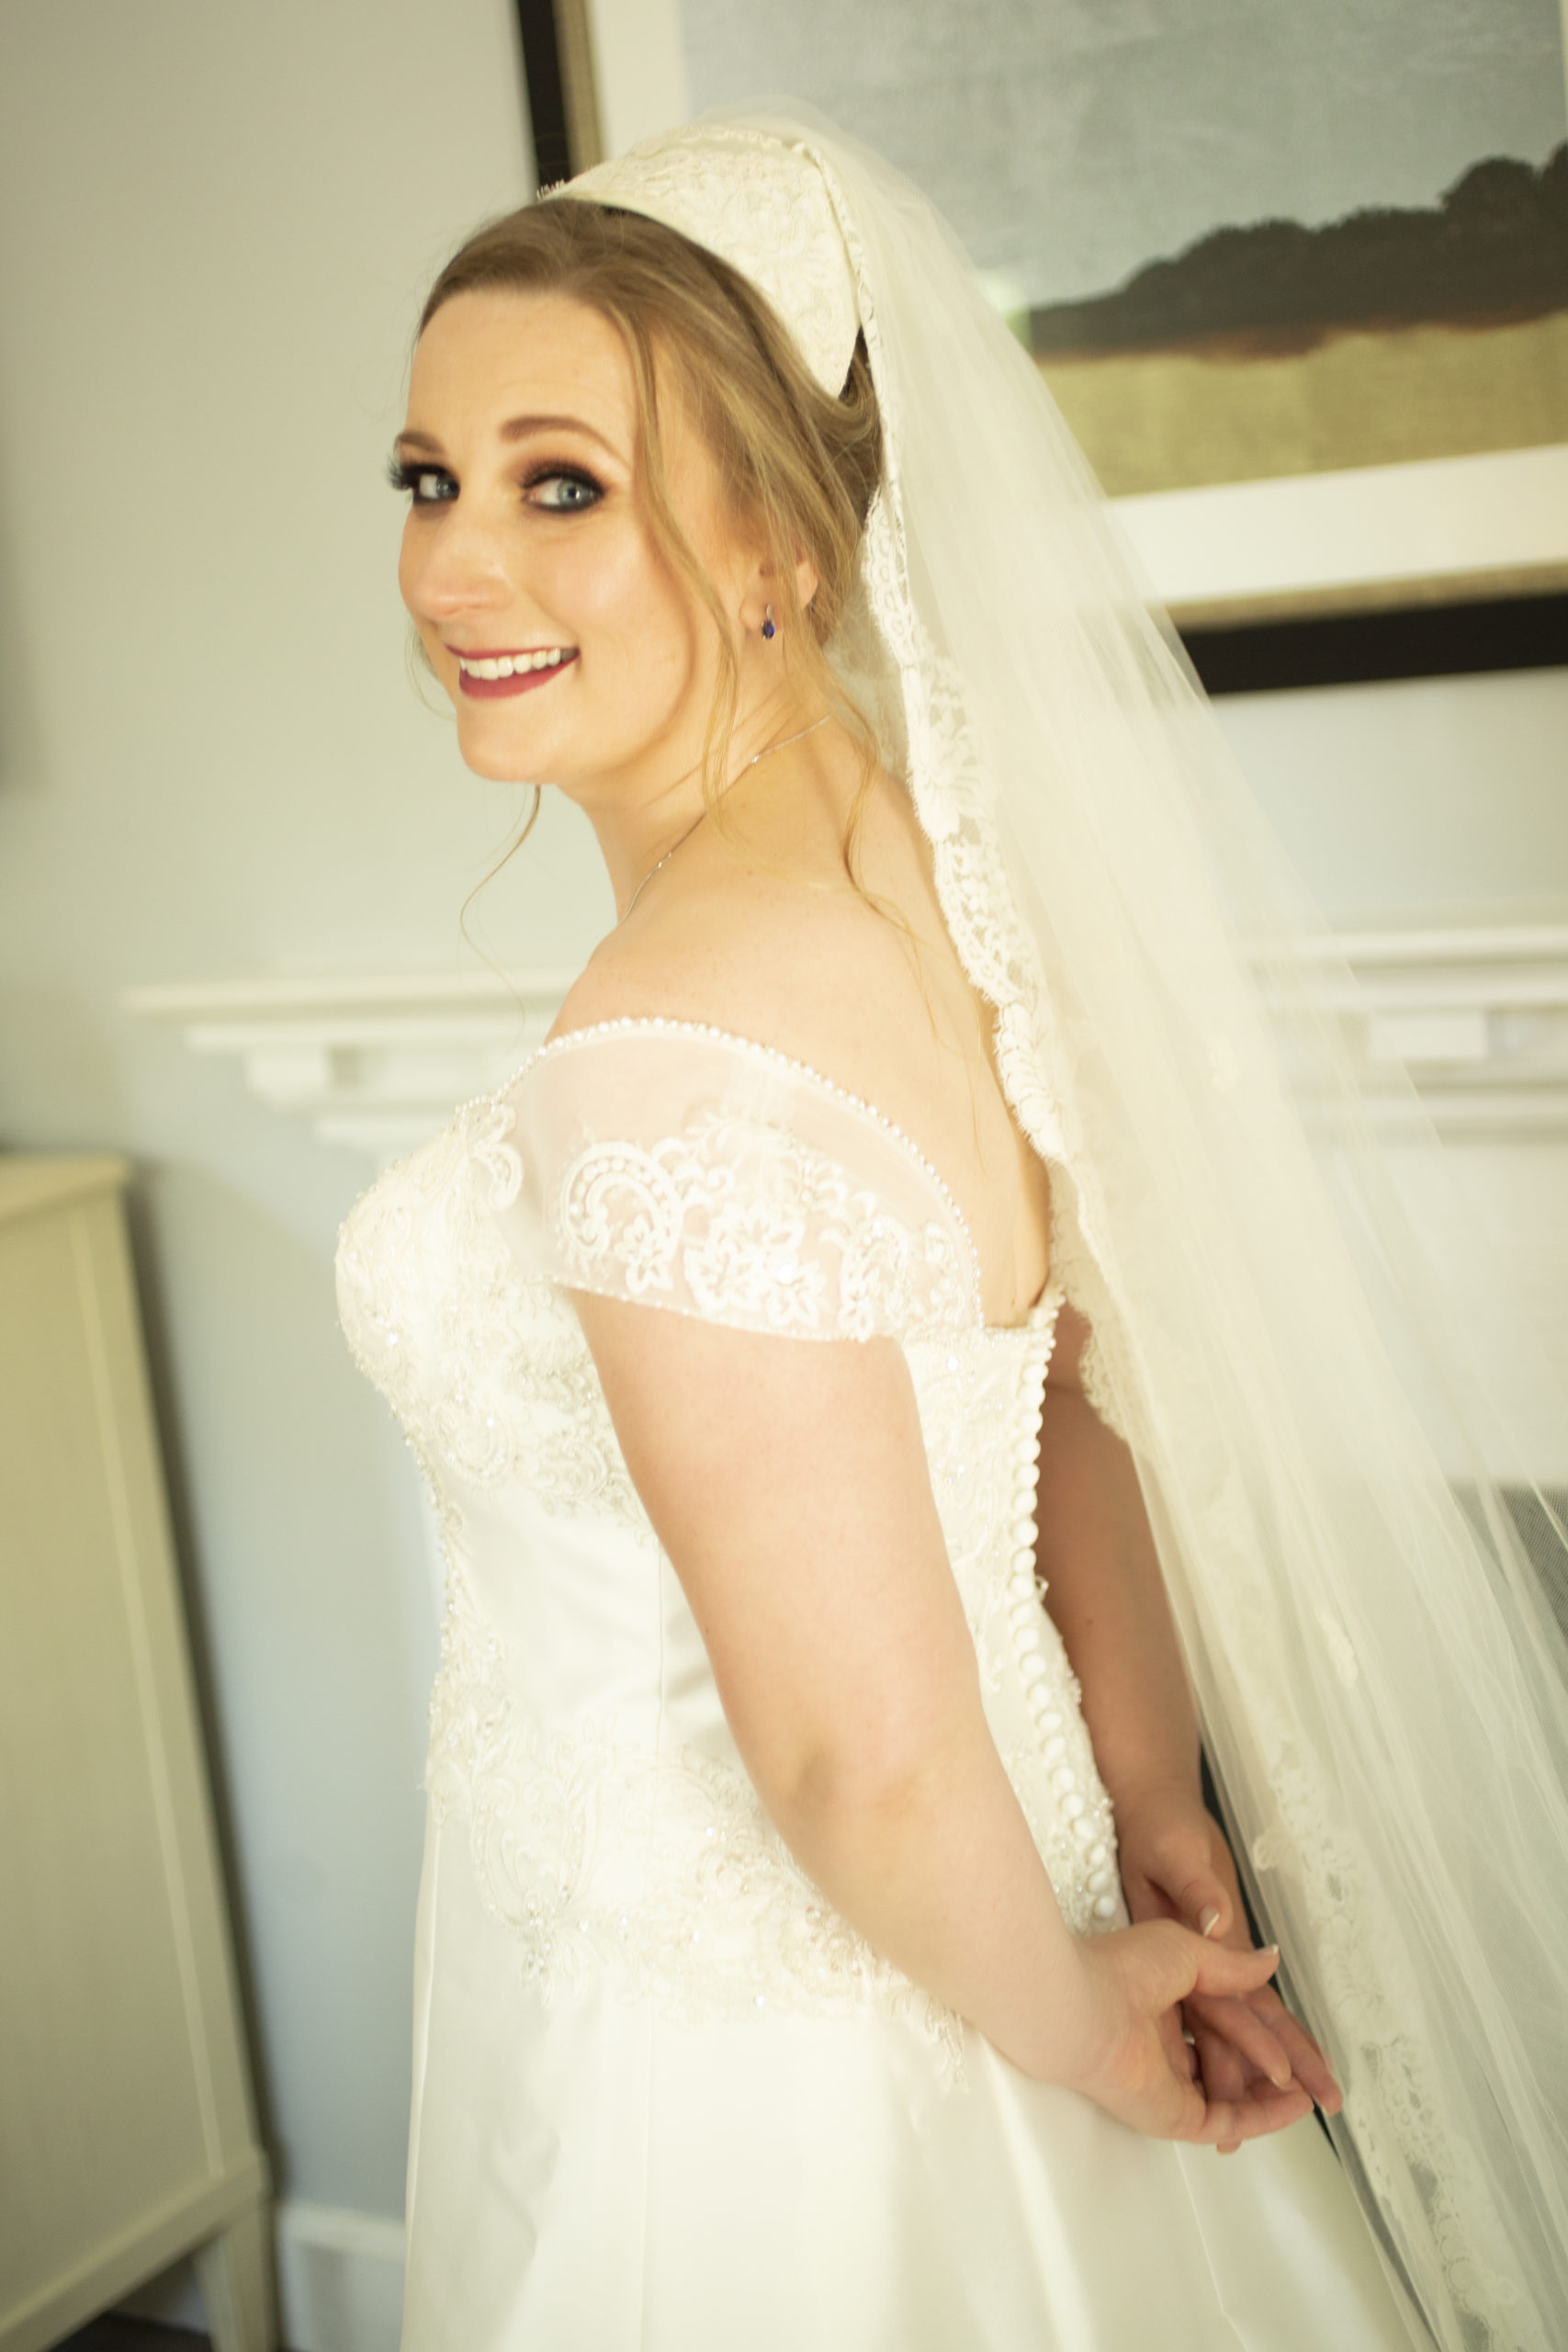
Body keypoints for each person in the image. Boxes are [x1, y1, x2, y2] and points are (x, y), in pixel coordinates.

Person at [336, 112, 1568, 2351]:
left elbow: (855, 1759)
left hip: (756, 2082)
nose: (452, 567)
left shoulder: (668, 1032)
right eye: (431, 479)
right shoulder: (955, 890)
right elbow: (1063, 1377)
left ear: (776, 536)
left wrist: (1090, 2026)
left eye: (560, 484)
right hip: (1021, 1909)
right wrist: (1141, 1783)